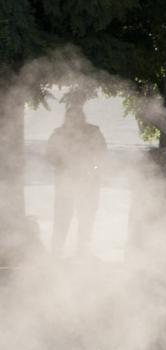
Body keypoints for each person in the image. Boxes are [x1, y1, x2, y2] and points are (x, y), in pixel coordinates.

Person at [46, 104, 106, 257]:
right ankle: (56, 253)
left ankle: (82, 254)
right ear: (66, 119)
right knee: (62, 219)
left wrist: (92, 168)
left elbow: (102, 155)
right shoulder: (58, 133)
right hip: (65, 182)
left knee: (86, 220)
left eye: (77, 117)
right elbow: (50, 156)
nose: (74, 121)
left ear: (83, 118)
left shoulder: (93, 132)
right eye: (70, 118)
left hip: (89, 182)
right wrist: (63, 161)